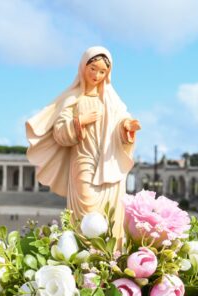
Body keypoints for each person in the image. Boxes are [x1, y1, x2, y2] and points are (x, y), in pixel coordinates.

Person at [26, 46, 141, 240]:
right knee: (86, 211)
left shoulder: (112, 101)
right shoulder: (73, 99)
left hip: (109, 163)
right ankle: (83, 256)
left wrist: (127, 127)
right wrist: (79, 122)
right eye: (93, 69)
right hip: (83, 161)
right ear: (83, 68)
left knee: (109, 214)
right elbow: (60, 133)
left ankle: (108, 259)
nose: (97, 75)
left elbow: (121, 124)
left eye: (102, 71)